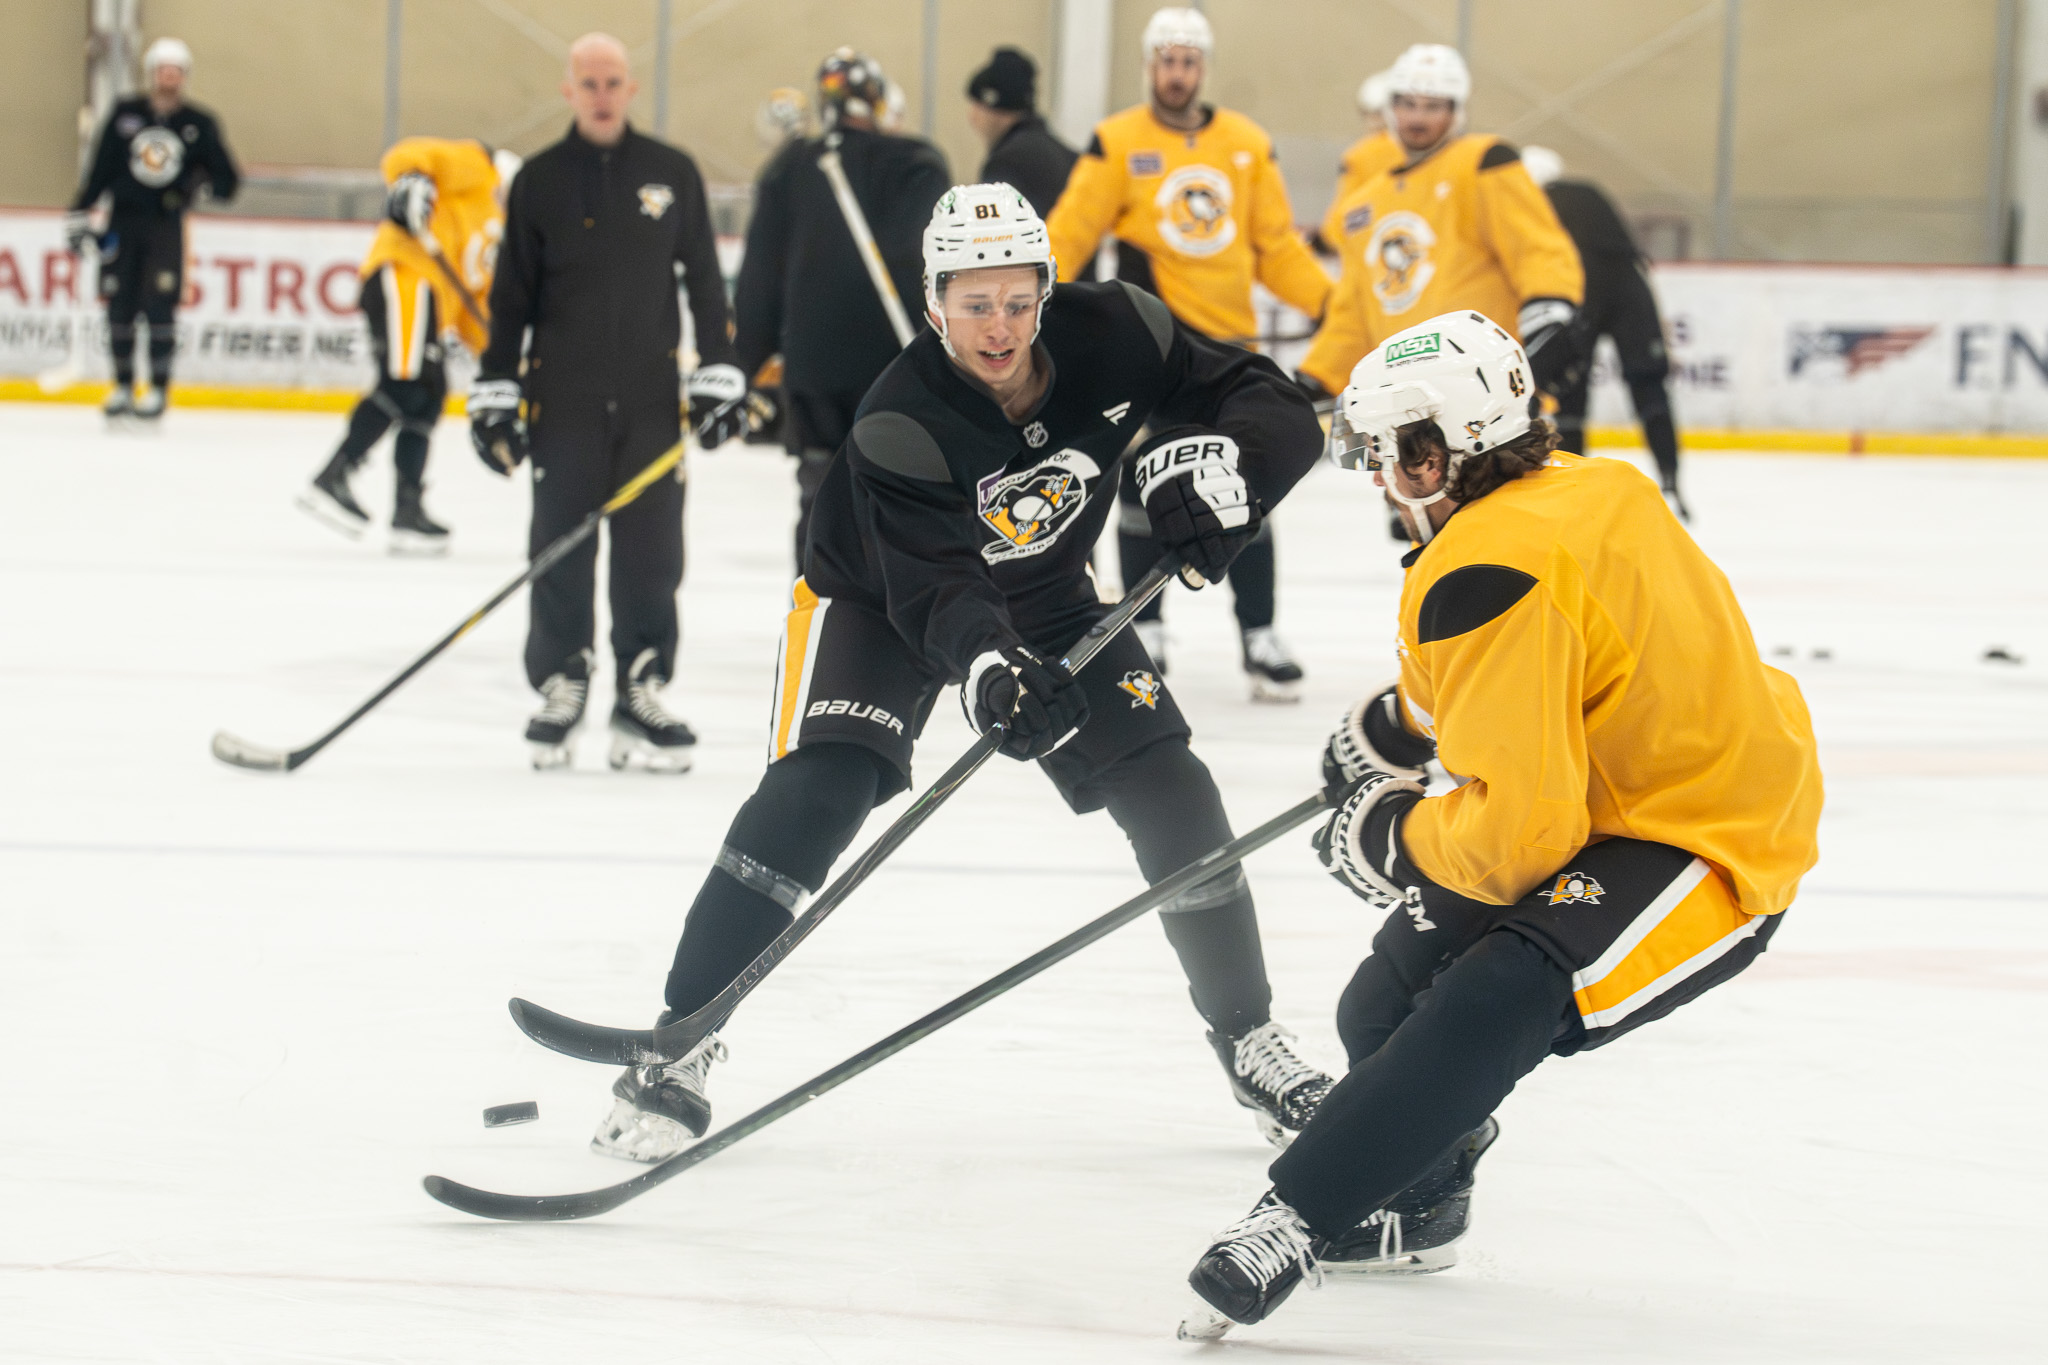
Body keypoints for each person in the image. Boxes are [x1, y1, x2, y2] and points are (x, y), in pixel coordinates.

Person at [588, 183, 1337, 1166]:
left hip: (1048, 589)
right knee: (822, 788)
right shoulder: (899, 419)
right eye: (974, 304)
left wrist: (1233, 468)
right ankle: (674, 1045)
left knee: (1172, 787)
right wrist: (989, 671)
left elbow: (1267, 399)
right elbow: (934, 589)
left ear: (1047, 288)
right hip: (877, 601)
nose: (999, 326)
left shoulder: (1123, 331)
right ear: (933, 302)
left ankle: (1249, 1038)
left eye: (1018, 299)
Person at [1178, 311, 1822, 1337]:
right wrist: (1394, 725)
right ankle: (1419, 1199)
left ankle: (1291, 1215)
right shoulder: (1590, 483)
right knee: (1378, 1009)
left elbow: (1520, 832)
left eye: (1392, 454)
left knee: (1499, 986)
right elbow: (1540, 666)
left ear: (1437, 453)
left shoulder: (1478, 572)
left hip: (1707, 830)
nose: (1384, 479)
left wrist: (1390, 837)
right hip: (1616, 798)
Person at [469, 33, 746, 772]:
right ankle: (562, 680)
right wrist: (496, 387)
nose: (600, 93)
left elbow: (706, 284)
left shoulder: (671, 172)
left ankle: (641, 682)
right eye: (588, 81)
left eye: (612, 81)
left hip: (655, 399)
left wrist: (719, 369)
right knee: (560, 540)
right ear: (568, 90)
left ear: (630, 88)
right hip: (561, 399)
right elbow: (510, 298)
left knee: (652, 550)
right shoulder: (538, 179)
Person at [1046, 7, 1330, 701]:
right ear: (1151, 65)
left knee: (1248, 488)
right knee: (1145, 484)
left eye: (1188, 61)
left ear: (1202, 67)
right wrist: (1032, 295)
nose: (1177, 73)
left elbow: (1276, 246)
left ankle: (1259, 634)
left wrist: (1333, 304)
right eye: (1165, 60)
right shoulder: (1117, 142)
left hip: (1229, 351)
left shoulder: (1245, 142)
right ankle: (1150, 624)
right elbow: (1072, 231)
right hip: (1154, 346)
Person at [732, 49, 951, 567]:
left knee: (822, 501)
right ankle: (902, 629)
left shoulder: (791, 167)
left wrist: (744, 365)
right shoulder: (918, 162)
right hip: (899, 369)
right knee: (903, 503)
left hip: (816, 372)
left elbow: (759, 280)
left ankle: (820, 623)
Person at [1298, 44, 1582, 403]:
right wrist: (1317, 377)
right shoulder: (1360, 207)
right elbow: (1354, 311)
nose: (1417, 118)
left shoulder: (1482, 162)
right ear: (1390, 109)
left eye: (1433, 106)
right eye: (1407, 104)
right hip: (1405, 394)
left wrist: (1550, 305)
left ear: (1456, 111)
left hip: (1486, 386)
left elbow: (1535, 246)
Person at [297, 138, 519, 553]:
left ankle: (407, 510)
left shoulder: (501, 235)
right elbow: (405, 156)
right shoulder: (478, 170)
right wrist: (413, 181)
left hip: (433, 302)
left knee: (429, 397)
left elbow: (478, 311)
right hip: (408, 278)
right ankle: (334, 475)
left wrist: (503, 357)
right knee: (406, 385)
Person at [65, 37, 239, 422]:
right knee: (119, 305)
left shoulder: (198, 123)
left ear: (184, 77)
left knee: (160, 305)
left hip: (165, 226)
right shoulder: (127, 114)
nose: (169, 77)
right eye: (163, 70)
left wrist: (199, 187)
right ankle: (123, 385)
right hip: (122, 222)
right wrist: (79, 212)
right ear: (152, 74)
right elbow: (102, 168)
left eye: (176, 71)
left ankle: (158, 390)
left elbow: (227, 180)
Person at [1521, 146, 1688, 520]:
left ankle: (1572, 483)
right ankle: (1670, 476)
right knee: (1648, 387)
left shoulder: (1534, 202)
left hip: (1580, 295)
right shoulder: (1588, 193)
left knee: (1570, 391)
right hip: (1631, 291)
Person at [965, 47, 1076, 221]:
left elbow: (991, 233)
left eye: (977, 106)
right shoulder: (1068, 155)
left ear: (997, 106)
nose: (971, 117)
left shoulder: (1007, 163)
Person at [1312, 69, 1399, 257]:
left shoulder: (1360, 155)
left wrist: (1324, 239)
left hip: (1368, 247)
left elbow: (1348, 210)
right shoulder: (1429, 153)